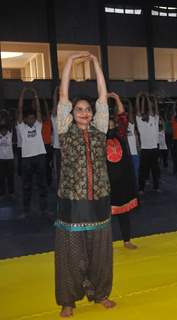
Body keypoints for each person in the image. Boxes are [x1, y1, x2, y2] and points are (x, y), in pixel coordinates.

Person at [55, 52, 115, 317]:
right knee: (71, 254)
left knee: (100, 252)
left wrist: (96, 65)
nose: (83, 112)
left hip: (99, 199)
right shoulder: (65, 131)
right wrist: (69, 63)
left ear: (93, 114)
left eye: (87, 109)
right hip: (72, 202)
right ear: (71, 114)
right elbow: (63, 96)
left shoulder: (100, 130)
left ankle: (100, 293)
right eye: (78, 109)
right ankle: (69, 299)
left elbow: (103, 97)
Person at [106, 92, 138, 250]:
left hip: (122, 180)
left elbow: (122, 116)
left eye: (111, 122)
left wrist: (117, 98)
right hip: (106, 181)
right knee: (103, 215)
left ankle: (127, 240)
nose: (109, 124)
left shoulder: (120, 133)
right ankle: (103, 244)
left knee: (123, 212)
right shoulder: (98, 137)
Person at [16, 87, 48, 219]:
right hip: (27, 159)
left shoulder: (38, 125)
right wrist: (22, 94)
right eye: (29, 118)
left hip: (40, 156)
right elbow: (19, 110)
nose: (31, 120)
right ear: (25, 119)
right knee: (26, 185)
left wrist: (35, 95)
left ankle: (44, 209)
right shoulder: (21, 126)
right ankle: (25, 210)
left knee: (42, 185)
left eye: (33, 118)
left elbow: (39, 111)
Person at [136, 92, 160, 193]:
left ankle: (156, 187)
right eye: (143, 114)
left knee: (155, 170)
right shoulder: (140, 122)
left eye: (146, 113)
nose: (144, 114)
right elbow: (138, 109)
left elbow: (152, 110)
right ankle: (141, 188)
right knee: (143, 171)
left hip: (154, 149)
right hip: (145, 150)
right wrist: (139, 98)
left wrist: (149, 99)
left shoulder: (153, 120)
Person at [0, 111, 14, 197]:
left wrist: (7, 115)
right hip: (1, 159)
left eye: (5, 130)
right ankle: (1, 192)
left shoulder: (10, 134)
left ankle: (11, 192)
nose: (4, 131)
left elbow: (10, 124)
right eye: (2, 130)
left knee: (10, 176)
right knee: (1, 177)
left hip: (10, 159)